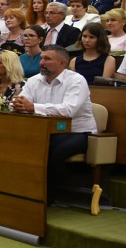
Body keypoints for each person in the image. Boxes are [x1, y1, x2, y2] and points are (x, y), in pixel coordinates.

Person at [12, 45, 97, 202]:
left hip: (78, 131)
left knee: (52, 149)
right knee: (21, 144)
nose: (41, 63)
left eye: (47, 59)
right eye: (42, 58)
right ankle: (22, 189)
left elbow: (68, 111)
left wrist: (33, 107)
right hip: (45, 131)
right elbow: (19, 102)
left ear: (62, 63)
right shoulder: (33, 80)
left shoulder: (76, 80)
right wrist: (17, 104)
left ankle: (47, 196)